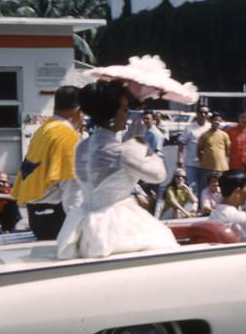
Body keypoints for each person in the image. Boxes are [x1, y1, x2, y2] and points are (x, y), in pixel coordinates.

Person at [56, 80, 178, 259]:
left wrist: (129, 142)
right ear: (112, 115)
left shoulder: (81, 146)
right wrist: (139, 141)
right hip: (115, 224)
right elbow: (159, 175)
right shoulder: (124, 152)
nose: (128, 115)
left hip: (82, 221)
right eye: (125, 110)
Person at [13, 85, 82, 240]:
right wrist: (78, 227)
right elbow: (71, 188)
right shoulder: (66, 137)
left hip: (36, 214)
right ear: (79, 110)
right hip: (57, 218)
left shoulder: (43, 130)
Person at [177, 105, 211, 196]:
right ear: (197, 114)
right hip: (192, 163)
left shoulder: (210, 127)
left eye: (205, 113)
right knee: (192, 187)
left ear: (208, 115)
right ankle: (193, 209)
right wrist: (180, 158)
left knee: (205, 188)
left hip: (206, 164)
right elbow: (181, 143)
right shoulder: (189, 127)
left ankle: (202, 208)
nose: (203, 114)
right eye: (201, 112)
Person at [197, 112, 231, 187]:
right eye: (215, 120)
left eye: (219, 120)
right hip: (206, 167)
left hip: (221, 167)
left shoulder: (224, 135)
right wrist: (202, 160)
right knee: (205, 188)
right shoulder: (204, 135)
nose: (217, 122)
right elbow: (199, 150)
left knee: (220, 189)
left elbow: (228, 150)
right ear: (211, 121)